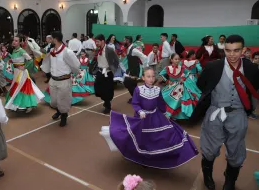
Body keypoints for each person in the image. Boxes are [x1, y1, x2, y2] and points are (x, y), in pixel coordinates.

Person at [191, 35, 259, 190]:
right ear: (224, 49)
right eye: (228, 50)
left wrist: (249, 108)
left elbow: (254, 89)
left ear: (243, 50)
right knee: (209, 149)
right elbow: (201, 85)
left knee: (236, 151)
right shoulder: (213, 67)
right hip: (215, 112)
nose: (232, 54)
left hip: (238, 114)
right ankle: (208, 176)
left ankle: (230, 181)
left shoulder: (251, 69)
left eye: (236, 50)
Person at [100, 67, 198, 169]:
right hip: (142, 118)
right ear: (143, 78)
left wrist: (165, 113)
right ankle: (142, 157)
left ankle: (156, 155)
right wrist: (140, 111)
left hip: (155, 116)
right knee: (142, 138)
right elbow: (135, 103)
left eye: (152, 76)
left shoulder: (157, 90)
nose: (151, 79)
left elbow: (160, 103)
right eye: (148, 76)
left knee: (159, 136)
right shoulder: (138, 90)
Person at [41, 31, 81, 127]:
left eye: (51, 38)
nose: (49, 40)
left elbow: (76, 65)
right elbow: (46, 59)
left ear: (55, 39)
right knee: (54, 102)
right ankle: (59, 111)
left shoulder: (67, 52)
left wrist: (73, 73)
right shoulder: (52, 51)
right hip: (53, 80)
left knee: (63, 101)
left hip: (63, 81)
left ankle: (64, 115)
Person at [4, 36, 44, 113]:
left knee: (22, 88)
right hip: (16, 72)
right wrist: (11, 61)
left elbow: (30, 59)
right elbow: (15, 60)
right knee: (17, 88)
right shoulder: (14, 51)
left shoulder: (21, 51)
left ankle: (28, 105)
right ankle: (19, 105)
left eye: (16, 41)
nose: (14, 42)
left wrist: (24, 67)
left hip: (21, 73)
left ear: (20, 42)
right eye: (13, 40)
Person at [159, 53, 201, 120]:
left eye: (178, 59)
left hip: (180, 86)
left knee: (179, 99)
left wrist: (183, 78)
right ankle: (170, 114)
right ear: (171, 60)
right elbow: (161, 74)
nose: (177, 60)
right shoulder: (167, 68)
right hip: (171, 86)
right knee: (165, 97)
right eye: (175, 59)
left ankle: (176, 116)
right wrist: (167, 81)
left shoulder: (182, 68)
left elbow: (188, 72)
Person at [94, 34, 119, 114]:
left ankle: (108, 105)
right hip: (100, 71)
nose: (96, 43)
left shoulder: (109, 49)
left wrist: (113, 69)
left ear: (102, 41)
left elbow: (116, 60)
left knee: (107, 91)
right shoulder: (97, 49)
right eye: (96, 42)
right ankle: (105, 100)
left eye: (98, 42)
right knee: (97, 88)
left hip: (108, 73)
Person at [123, 36, 147, 103]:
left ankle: (136, 99)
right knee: (131, 84)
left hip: (135, 70)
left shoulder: (134, 50)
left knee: (128, 82)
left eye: (124, 40)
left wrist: (144, 67)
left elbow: (144, 57)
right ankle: (135, 98)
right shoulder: (129, 48)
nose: (123, 41)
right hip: (131, 69)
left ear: (128, 41)